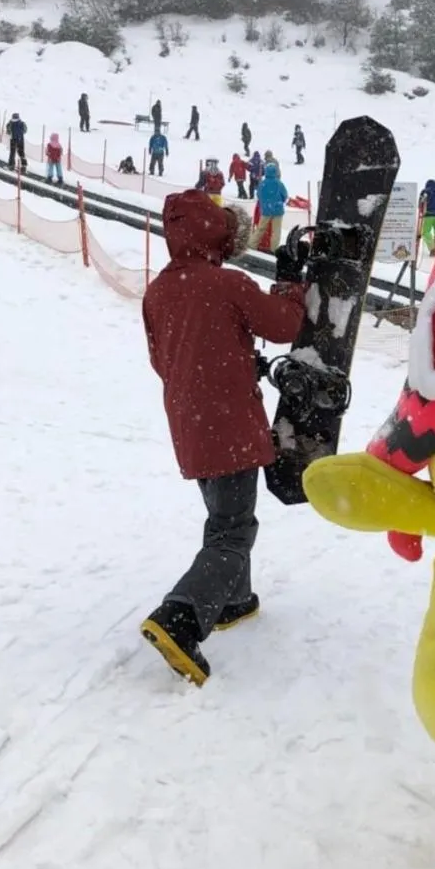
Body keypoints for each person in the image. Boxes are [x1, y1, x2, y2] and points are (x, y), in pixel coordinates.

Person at [138, 190, 307, 685]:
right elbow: (285, 325)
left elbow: (163, 360)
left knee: (224, 516)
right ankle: (181, 618)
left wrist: (225, 363)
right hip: (230, 423)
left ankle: (234, 600)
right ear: (216, 233)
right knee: (234, 531)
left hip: (190, 424)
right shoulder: (228, 283)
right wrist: (291, 282)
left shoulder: (157, 292)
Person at [253, 160, 288, 251]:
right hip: (278, 210)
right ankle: (274, 249)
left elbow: (258, 195)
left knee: (260, 229)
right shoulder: (279, 183)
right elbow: (285, 195)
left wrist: (264, 203)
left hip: (266, 210)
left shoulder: (262, 183)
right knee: (276, 231)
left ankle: (252, 245)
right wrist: (279, 201)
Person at [418, 179, 435, 258]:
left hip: (428, 215)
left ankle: (432, 248)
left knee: (425, 232)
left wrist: (420, 210)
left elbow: (420, 203)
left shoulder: (425, 191)